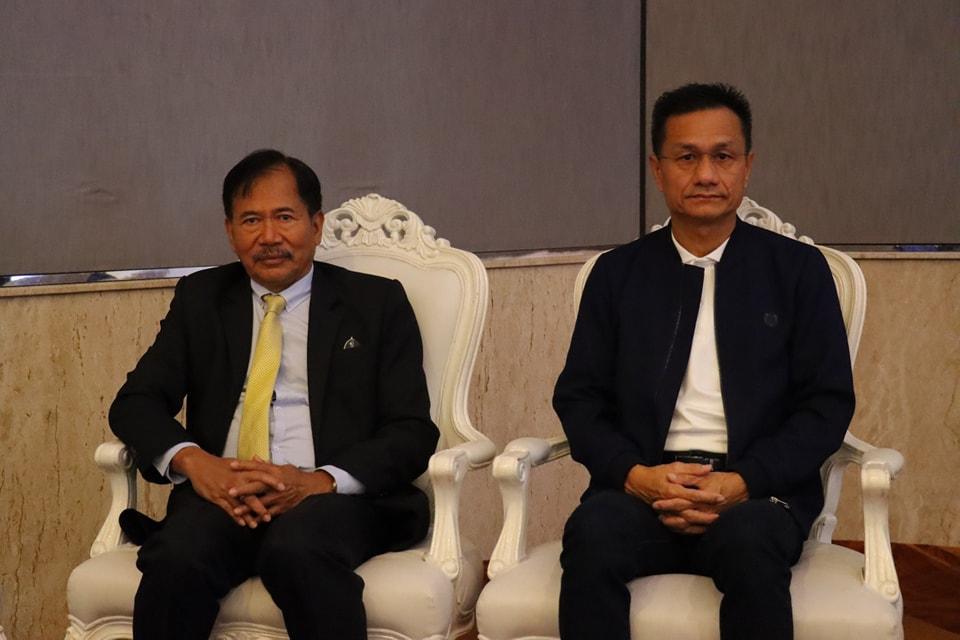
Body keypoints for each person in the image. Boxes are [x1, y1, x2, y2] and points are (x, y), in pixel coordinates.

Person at [554, 84, 855, 639]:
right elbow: (579, 398)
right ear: (658, 169)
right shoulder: (617, 275)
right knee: (592, 536)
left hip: (756, 494)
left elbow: (826, 405)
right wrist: (636, 476)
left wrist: (744, 481)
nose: (706, 174)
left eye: (723, 156)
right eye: (686, 157)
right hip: (642, 486)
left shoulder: (798, 271)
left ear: (747, 166)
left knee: (751, 544)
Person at [109, 149, 438, 640]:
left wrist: (319, 481)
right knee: (178, 556)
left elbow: (411, 430)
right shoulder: (201, 298)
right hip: (224, 494)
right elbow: (135, 402)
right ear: (230, 231)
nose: (268, 236)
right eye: (251, 220)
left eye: (285, 217)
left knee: (297, 548)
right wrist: (197, 463)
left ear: (315, 225)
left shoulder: (375, 303)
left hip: (330, 500)